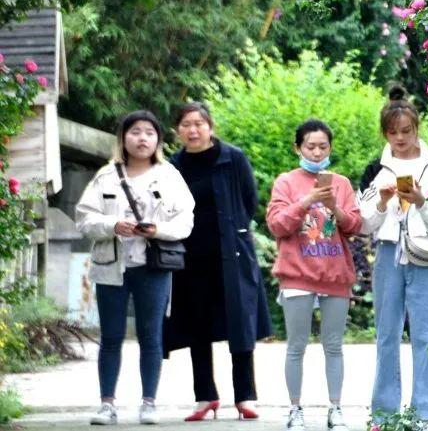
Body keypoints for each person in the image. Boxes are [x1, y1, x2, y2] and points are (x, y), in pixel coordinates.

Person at [76, 110, 195, 425]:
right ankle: (107, 404)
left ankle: (149, 403)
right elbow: (84, 218)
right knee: (111, 336)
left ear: (157, 139)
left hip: (153, 266)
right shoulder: (106, 175)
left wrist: (156, 229)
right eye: (135, 132)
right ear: (123, 138)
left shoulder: (169, 175)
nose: (142, 138)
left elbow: (185, 221)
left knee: (151, 335)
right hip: (111, 267)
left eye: (149, 132)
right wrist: (113, 224)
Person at [163, 102, 272, 421]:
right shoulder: (173, 165)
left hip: (231, 255)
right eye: (186, 124)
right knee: (197, 325)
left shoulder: (232, 158)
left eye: (199, 123)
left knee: (239, 325)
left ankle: (246, 396)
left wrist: (232, 232)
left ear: (210, 126)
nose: (193, 130)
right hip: (189, 256)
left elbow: (250, 201)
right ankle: (205, 396)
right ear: (178, 131)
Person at [357, 85, 428, 425]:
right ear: (385, 133)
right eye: (393, 132)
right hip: (388, 254)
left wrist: (422, 200)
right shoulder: (375, 170)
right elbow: (364, 223)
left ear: (417, 129)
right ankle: (383, 413)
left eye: (406, 131)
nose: (400, 138)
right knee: (386, 333)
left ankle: (424, 411)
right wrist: (383, 201)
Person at [266, 119, 362, 431]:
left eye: (323, 146)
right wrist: (306, 201)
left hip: (335, 275)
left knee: (333, 345)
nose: (317, 152)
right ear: (298, 148)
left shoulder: (343, 184)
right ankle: (295, 410)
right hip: (296, 274)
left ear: (330, 148)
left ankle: (336, 409)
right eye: (310, 146)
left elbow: (355, 227)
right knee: (296, 346)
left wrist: (335, 204)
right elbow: (277, 225)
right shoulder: (286, 182)